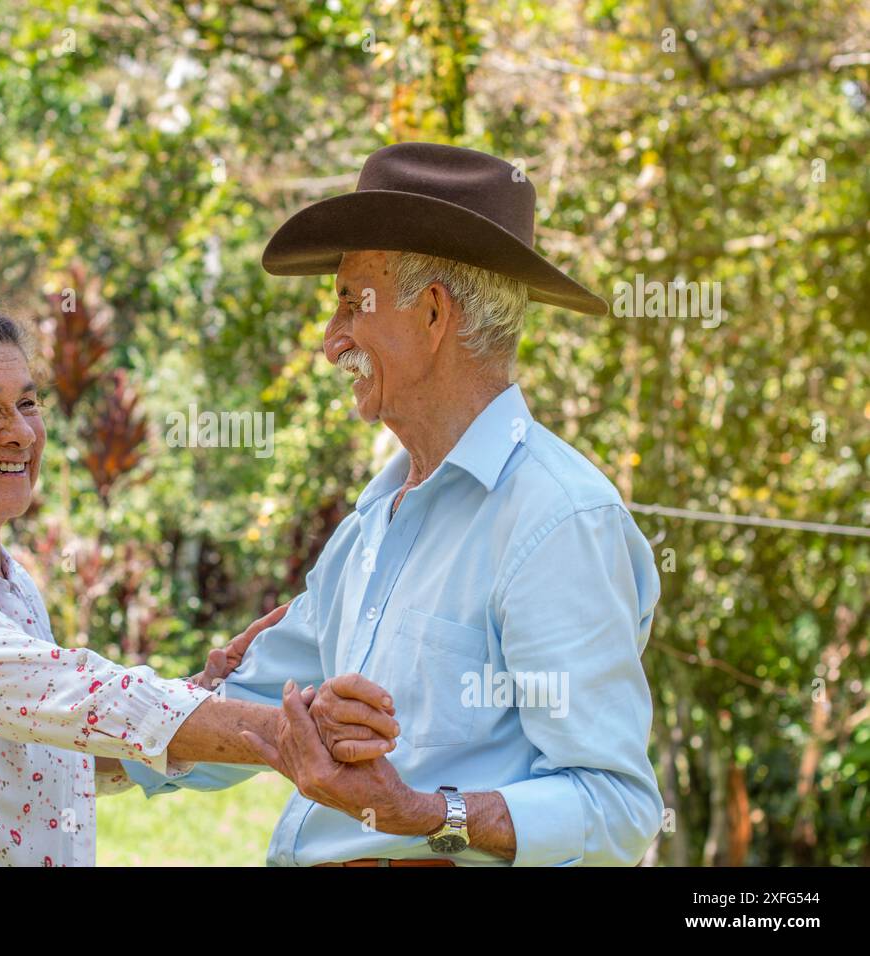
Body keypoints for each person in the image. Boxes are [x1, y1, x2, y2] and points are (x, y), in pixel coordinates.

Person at [124, 142, 664, 867]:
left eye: (352, 302)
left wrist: (420, 814)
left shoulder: (556, 519)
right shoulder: (375, 520)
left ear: (435, 313)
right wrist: (57, 723)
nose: (330, 341)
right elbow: (252, 712)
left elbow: (618, 809)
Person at [0, 284, 397, 866]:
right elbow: (77, 695)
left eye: (27, 403)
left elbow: (55, 744)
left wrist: (202, 697)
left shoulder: (7, 582)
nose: (19, 433)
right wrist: (290, 731)